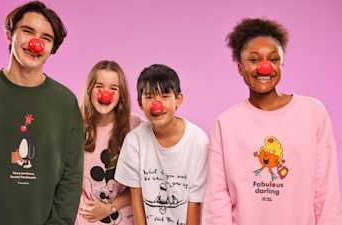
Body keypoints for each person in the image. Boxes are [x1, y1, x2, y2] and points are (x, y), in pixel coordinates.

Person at [0, 1, 84, 225]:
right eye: (27, 31)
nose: (36, 43)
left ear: (52, 48)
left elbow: (71, 177)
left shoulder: (66, 103)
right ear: (10, 34)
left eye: (46, 38)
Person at [203, 18, 342, 225]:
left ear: (282, 64)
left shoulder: (313, 113)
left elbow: (326, 192)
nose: (265, 68)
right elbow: (217, 201)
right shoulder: (226, 124)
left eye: (273, 59)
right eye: (254, 59)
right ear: (240, 67)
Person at [115, 64, 209, 225]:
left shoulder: (198, 141)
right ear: (140, 103)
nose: (157, 104)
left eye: (165, 96)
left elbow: (196, 201)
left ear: (178, 99)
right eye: (150, 97)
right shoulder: (134, 141)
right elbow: (136, 200)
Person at [75, 60, 142, 225]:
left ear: (121, 94)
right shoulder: (75, 125)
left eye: (113, 88)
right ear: (90, 90)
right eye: (99, 86)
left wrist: (110, 207)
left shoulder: (136, 126)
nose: (106, 93)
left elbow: (142, 184)